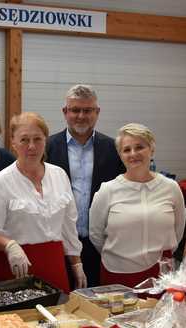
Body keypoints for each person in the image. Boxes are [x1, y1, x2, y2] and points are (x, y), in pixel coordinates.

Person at [0, 112, 86, 293]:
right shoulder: (0, 182)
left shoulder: (60, 175)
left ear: (45, 140)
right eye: (24, 140)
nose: (31, 146)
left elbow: (68, 226)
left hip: (55, 267)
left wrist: (77, 264)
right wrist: (10, 245)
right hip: (17, 270)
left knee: (60, 318)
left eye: (37, 139)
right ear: (13, 143)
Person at [46, 84, 125, 287]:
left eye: (87, 110)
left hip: (100, 246)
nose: (81, 116)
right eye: (75, 110)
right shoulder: (46, 148)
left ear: (97, 112)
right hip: (58, 244)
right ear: (65, 112)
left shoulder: (114, 149)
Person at [89, 123, 185, 288]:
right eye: (126, 150)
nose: (133, 154)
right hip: (117, 274)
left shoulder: (171, 187)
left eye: (139, 147)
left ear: (151, 149)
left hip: (161, 274)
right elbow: (96, 234)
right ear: (120, 155)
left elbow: (178, 231)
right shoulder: (108, 190)